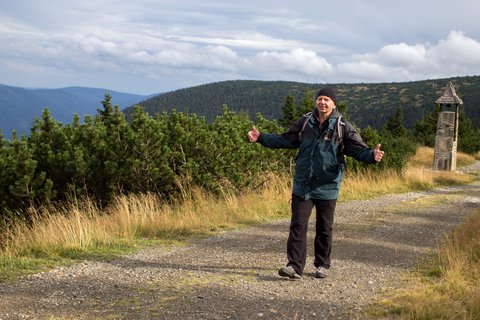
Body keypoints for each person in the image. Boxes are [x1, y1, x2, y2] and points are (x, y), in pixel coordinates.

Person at [247, 87, 384, 279]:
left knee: (324, 227)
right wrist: (261, 138)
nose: (323, 102)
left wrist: (372, 155)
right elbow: (286, 140)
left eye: (327, 99)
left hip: (328, 186)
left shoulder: (342, 125)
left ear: (333, 103)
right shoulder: (305, 122)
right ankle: (294, 266)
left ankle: (322, 265)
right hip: (303, 184)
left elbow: (358, 150)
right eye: (320, 99)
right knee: (298, 225)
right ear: (316, 102)